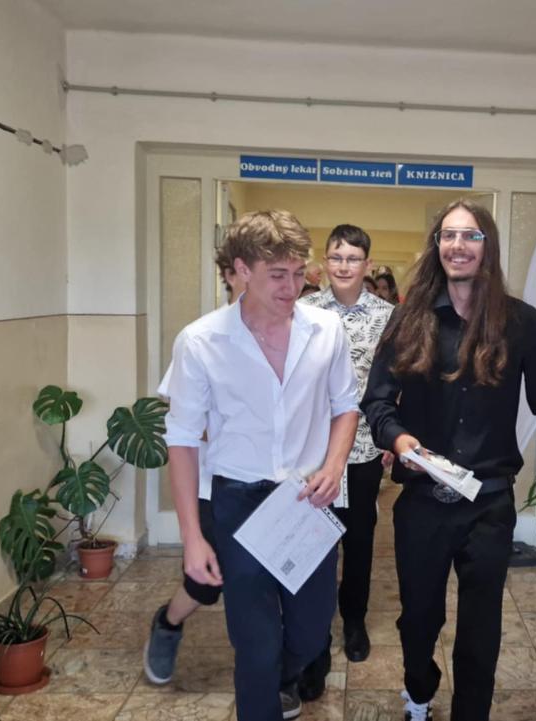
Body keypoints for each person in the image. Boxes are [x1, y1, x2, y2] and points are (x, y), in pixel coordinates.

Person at [362, 199, 536, 721]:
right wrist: (399, 439)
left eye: (470, 236)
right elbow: (376, 402)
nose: (458, 245)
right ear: (436, 246)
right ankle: (419, 690)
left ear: (487, 247)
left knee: (481, 629)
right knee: (419, 620)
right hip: (422, 501)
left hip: (489, 502)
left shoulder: (521, 322)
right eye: (448, 235)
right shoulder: (408, 319)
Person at [155, 209, 360, 721]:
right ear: (241, 270)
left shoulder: (326, 329)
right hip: (239, 500)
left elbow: (345, 406)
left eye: (299, 273)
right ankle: (263, 690)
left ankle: (280, 681)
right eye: (278, 275)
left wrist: (335, 465)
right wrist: (192, 537)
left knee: (312, 632)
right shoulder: (201, 341)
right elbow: (182, 440)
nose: (293, 288)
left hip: (305, 500)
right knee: (255, 643)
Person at [296, 225, 395, 698]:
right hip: (314, 450)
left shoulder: (388, 317)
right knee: (314, 544)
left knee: (358, 540)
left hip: (365, 448)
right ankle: (313, 639)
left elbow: (398, 382)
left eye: (353, 258)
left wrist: (393, 437)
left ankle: (354, 621)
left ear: (367, 264)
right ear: (325, 260)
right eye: (336, 257)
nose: (343, 266)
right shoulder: (304, 310)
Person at [143, 245, 246, 686]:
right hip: (214, 484)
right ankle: (168, 622)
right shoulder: (203, 339)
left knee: (271, 581)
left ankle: (269, 674)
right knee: (208, 582)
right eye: (245, 271)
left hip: (272, 486)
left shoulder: (291, 334)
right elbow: (184, 423)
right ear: (230, 275)